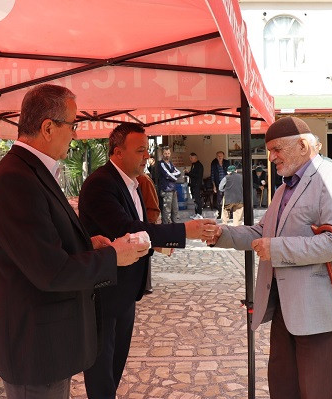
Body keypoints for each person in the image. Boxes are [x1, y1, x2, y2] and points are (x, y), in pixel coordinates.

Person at [0, 84, 149, 399]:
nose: (76, 135)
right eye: (73, 125)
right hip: (35, 349)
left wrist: (86, 246)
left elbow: (42, 247)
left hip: (45, 342)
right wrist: (113, 257)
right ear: (47, 127)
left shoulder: (30, 172)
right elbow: (50, 271)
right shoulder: (15, 180)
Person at [206, 116, 332, 399]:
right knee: (282, 389)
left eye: (277, 149)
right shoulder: (283, 188)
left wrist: (277, 249)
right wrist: (222, 234)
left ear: (303, 145)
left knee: (317, 393)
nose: (271, 156)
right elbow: (263, 231)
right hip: (284, 312)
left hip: (320, 314)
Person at [78, 122, 217, 399]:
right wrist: (183, 230)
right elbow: (127, 230)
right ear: (117, 152)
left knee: (115, 369)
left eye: (147, 150)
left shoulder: (133, 182)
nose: (146, 156)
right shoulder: (100, 184)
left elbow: (139, 232)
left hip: (125, 292)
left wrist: (159, 245)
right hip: (103, 294)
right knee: (101, 374)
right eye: (140, 150)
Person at [136, 172, 161, 294]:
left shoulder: (143, 180)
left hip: (142, 226)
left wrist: (148, 227)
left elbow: (153, 207)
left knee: (144, 255)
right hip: (134, 227)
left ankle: (145, 286)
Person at [157, 146, 181, 223]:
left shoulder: (171, 163)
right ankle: (167, 227)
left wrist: (172, 175)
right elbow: (167, 174)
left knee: (175, 209)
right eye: (165, 153)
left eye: (168, 153)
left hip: (173, 189)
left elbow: (179, 172)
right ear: (162, 154)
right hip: (166, 189)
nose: (167, 155)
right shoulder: (161, 164)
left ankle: (175, 227)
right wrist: (175, 178)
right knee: (167, 211)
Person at [210, 151, 230, 219]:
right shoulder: (214, 163)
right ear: (216, 156)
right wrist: (214, 186)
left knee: (228, 198)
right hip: (218, 183)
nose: (219, 157)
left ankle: (229, 214)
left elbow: (230, 173)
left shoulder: (227, 163)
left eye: (221, 156)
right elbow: (212, 175)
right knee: (219, 199)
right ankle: (220, 213)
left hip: (227, 183)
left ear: (223, 156)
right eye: (218, 156)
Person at [185, 152, 204, 219]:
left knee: (197, 199)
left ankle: (199, 214)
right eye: (190, 158)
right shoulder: (193, 164)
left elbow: (197, 175)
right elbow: (192, 174)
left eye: (191, 158)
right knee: (195, 200)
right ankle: (196, 214)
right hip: (193, 184)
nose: (190, 159)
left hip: (197, 185)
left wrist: (188, 173)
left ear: (195, 158)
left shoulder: (199, 165)